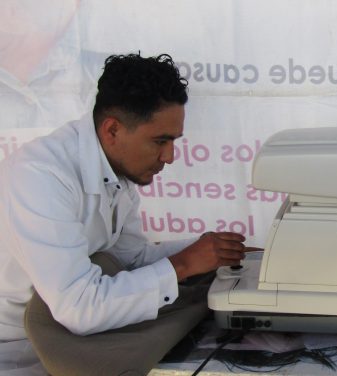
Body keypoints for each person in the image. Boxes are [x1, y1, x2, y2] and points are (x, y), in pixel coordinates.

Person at [0, 53, 255, 375]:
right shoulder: (39, 176)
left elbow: (130, 259)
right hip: (16, 351)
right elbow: (79, 308)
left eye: (174, 141)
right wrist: (187, 262)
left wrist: (209, 249)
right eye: (160, 141)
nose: (170, 156)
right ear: (112, 130)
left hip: (64, 342)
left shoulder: (115, 171)